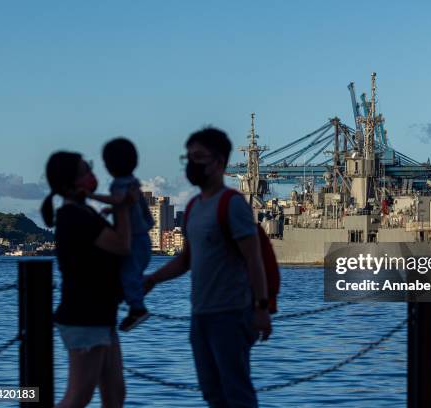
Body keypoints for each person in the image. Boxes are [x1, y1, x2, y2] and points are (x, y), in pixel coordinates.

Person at [144, 128, 272, 408]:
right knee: (212, 393)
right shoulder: (193, 207)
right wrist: (152, 280)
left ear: (219, 162)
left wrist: (261, 308)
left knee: (237, 393)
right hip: (200, 314)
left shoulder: (233, 205)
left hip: (231, 314)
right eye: (188, 157)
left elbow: (254, 259)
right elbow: (186, 260)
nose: (191, 163)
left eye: (198, 157)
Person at [41, 151, 133, 408]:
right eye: (85, 170)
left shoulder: (84, 212)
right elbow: (122, 245)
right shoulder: (75, 216)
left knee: (115, 395)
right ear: (71, 182)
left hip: (101, 314)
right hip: (84, 316)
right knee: (78, 396)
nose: (92, 175)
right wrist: (122, 207)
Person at [90, 137, 153, 331]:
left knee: (127, 275)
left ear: (109, 165)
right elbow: (136, 208)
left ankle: (138, 308)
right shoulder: (134, 183)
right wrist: (114, 210)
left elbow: (119, 200)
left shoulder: (118, 184)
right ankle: (130, 305)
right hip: (143, 238)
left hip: (133, 240)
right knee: (131, 274)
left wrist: (90, 196)